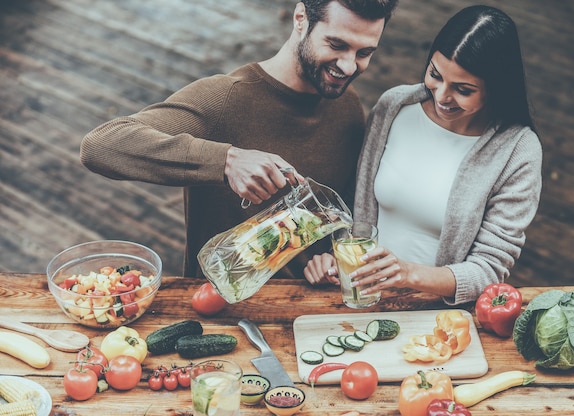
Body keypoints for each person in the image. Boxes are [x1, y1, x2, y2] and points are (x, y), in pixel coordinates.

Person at [80, 0, 399, 278]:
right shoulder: (223, 99)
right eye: (337, 45)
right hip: (221, 308)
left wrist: (329, 258)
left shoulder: (348, 105)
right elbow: (101, 145)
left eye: (364, 52)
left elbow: (338, 207)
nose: (348, 66)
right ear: (300, 19)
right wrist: (226, 161)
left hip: (306, 308)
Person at [304, 5, 543, 305]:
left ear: (496, 88)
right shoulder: (394, 107)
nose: (442, 96)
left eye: (463, 89)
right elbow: (356, 207)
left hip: (436, 318)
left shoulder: (517, 151)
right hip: (362, 301)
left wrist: (406, 274)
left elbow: (489, 269)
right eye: (435, 75)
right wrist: (334, 259)